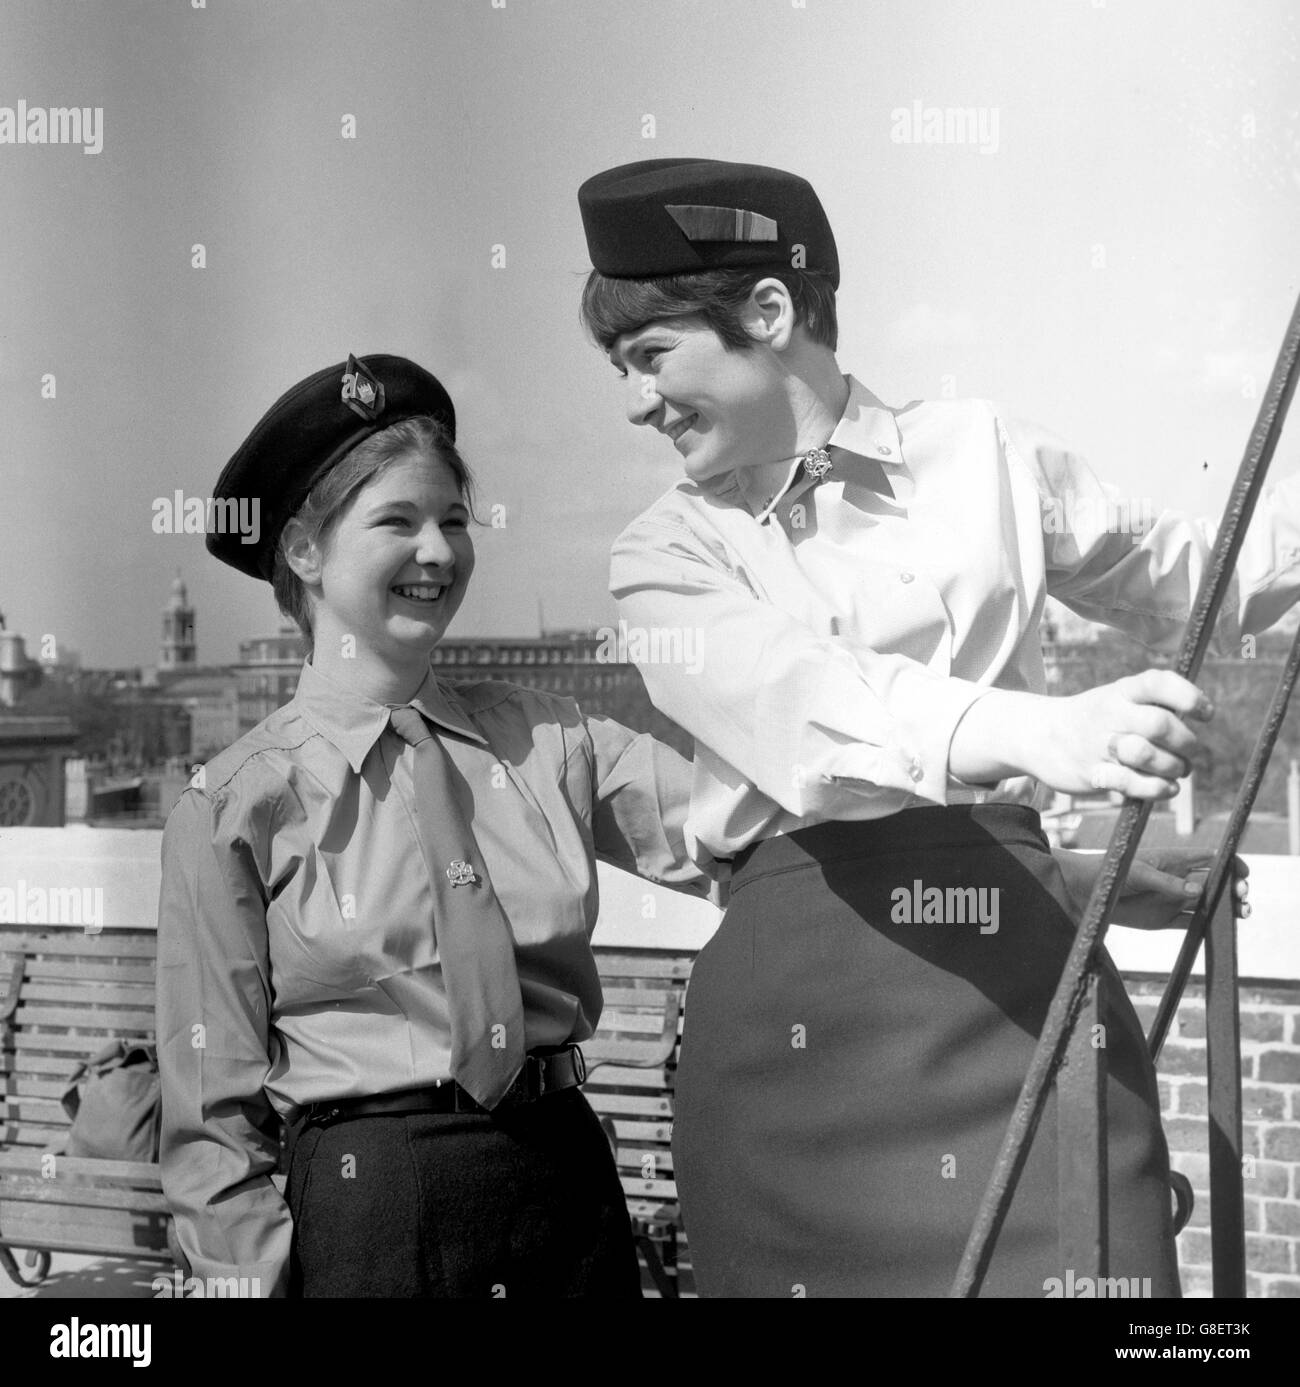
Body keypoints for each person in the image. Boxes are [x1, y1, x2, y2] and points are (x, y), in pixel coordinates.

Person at [575, 158, 1292, 1297]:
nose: (631, 398)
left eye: (651, 355)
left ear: (766, 314)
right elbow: (805, 702)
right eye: (619, 367)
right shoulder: (663, 555)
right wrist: (1044, 734)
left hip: (1021, 998)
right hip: (794, 1052)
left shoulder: (987, 452)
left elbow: (1199, 571)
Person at [154, 353, 717, 1298]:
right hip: (370, 1206)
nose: (438, 552)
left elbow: (744, 830)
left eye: (454, 520)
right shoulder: (233, 804)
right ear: (301, 551)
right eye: (397, 521)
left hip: (564, 1182)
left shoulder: (556, 740)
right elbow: (212, 1117)